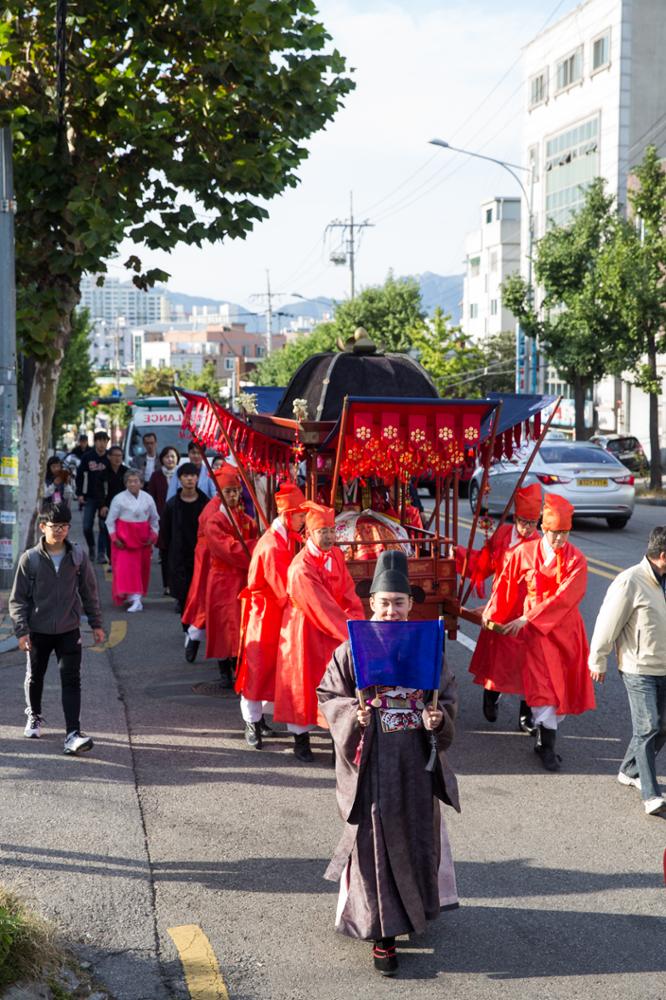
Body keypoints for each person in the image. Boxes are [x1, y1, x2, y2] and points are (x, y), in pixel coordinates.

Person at [317, 550, 460, 977]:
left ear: (410, 605)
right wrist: (352, 716)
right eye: (384, 602)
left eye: (399, 603)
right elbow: (328, 696)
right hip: (374, 761)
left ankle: (415, 910)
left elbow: (447, 698)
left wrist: (439, 719)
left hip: (415, 762)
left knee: (417, 837)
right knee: (374, 845)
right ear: (370, 604)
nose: (391, 610)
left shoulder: (429, 646)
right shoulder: (350, 650)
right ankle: (382, 934)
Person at [484, 493, 595, 771]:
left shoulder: (576, 559)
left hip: (564, 632)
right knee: (545, 687)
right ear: (544, 529)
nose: (559, 540)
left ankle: (542, 736)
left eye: (565, 533)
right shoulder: (524, 553)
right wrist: (494, 617)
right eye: (554, 533)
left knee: (562, 689)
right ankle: (547, 746)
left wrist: (528, 617)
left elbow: (565, 597)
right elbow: (506, 588)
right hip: (535, 633)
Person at [8, 502, 105, 755]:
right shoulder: (30, 559)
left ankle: (73, 733)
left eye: (64, 526)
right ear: (43, 527)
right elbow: (18, 599)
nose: (60, 531)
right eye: (54, 526)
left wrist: (96, 624)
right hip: (38, 631)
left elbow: (89, 592)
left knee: (71, 680)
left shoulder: (78, 556)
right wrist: (22, 631)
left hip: (69, 629)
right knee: (35, 677)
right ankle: (35, 715)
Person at [274, 501, 364, 762]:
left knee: (335, 684)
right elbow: (320, 606)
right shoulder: (301, 567)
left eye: (332, 531)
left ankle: (338, 737)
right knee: (304, 682)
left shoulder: (336, 554)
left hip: (331, 627)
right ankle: (300, 741)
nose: (328, 536)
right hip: (305, 629)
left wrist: (356, 619)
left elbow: (348, 592)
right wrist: (351, 631)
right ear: (309, 534)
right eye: (322, 531)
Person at [588, 526, 666, 816]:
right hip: (638, 667)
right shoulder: (630, 581)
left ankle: (628, 769)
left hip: (664, 666)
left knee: (662, 726)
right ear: (662, 556)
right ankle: (650, 794)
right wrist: (598, 659)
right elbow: (607, 622)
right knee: (648, 727)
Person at [465, 483, 543, 731]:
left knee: (527, 663)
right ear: (515, 517)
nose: (526, 527)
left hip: (526, 610)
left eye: (532, 522)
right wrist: (462, 558)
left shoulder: (541, 543)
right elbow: (485, 562)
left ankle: (526, 714)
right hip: (501, 605)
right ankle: (490, 696)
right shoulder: (503, 534)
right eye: (522, 521)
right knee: (496, 658)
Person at [235, 482, 307, 749]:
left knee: (272, 668)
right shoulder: (273, 546)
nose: (304, 520)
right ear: (289, 516)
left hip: (274, 609)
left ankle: (259, 719)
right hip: (265, 613)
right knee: (259, 667)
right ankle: (251, 722)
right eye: (301, 515)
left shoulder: (285, 537)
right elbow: (284, 589)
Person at [203, 464, 258, 687]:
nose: (233, 495)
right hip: (222, 580)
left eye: (236, 491)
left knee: (240, 624)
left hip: (241, 579)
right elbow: (229, 549)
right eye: (228, 491)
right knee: (224, 625)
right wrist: (257, 546)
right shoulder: (214, 521)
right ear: (219, 493)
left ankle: (239, 666)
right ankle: (225, 670)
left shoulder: (245, 518)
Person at [106, 469, 160, 613]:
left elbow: (154, 519)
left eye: (136, 481)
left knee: (140, 570)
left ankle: (136, 598)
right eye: (129, 481)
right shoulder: (118, 499)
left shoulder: (148, 498)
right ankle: (133, 599)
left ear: (142, 483)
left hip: (142, 541)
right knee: (125, 571)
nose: (132, 484)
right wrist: (114, 538)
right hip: (124, 541)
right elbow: (110, 521)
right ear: (125, 483)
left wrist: (153, 535)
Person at [159, 462, 210, 613]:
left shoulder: (205, 502)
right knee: (181, 583)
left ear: (197, 478)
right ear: (180, 479)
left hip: (199, 549)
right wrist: (165, 550)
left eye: (193, 475)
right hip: (178, 549)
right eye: (186, 476)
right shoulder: (172, 504)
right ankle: (183, 606)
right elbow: (165, 531)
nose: (189, 479)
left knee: (199, 581)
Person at [75, 430, 111, 563]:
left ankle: (101, 553)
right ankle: (91, 547)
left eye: (104, 441)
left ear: (107, 442)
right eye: (99, 441)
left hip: (105, 498)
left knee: (103, 526)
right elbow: (80, 476)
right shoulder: (87, 457)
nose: (102, 444)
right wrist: (79, 494)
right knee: (86, 526)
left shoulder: (110, 457)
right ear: (95, 442)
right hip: (89, 496)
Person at [98, 445, 128, 562]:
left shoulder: (126, 472)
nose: (117, 458)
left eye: (120, 456)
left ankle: (123, 558)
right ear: (109, 457)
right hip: (108, 508)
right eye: (115, 455)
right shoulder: (103, 474)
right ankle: (112, 559)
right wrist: (102, 506)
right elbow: (99, 492)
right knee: (109, 535)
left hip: (125, 509)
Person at [147, 446, 180, 518]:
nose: (170, 459)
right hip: (161, 514)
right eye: (167, 457)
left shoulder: (182, 473)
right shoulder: (155, 475)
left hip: (180, 513)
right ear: (162, 459)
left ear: (177, 458)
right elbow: (152, 496)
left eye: (172, 456)